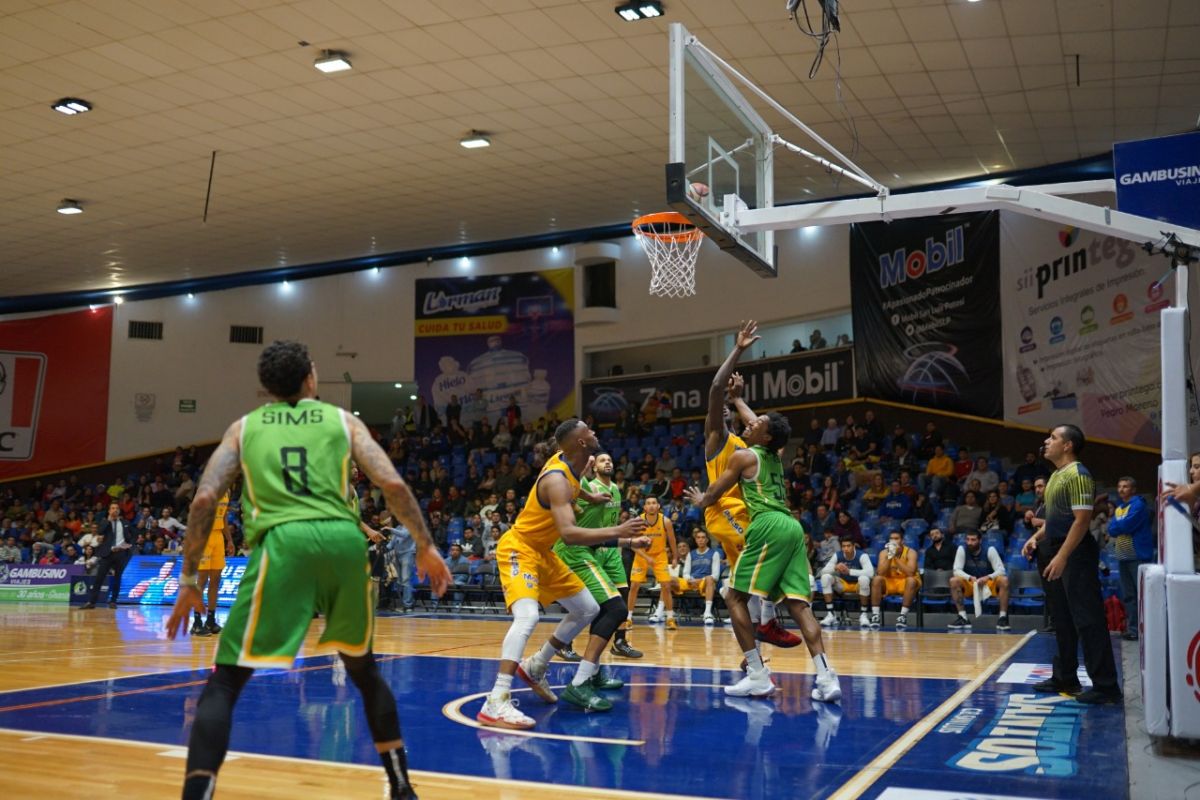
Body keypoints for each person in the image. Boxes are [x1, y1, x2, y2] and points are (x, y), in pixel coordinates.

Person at [164, 340, 453, 800]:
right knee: (364, 672)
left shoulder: (244, 428)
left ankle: (197, 793)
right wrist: (425, 545)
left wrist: (188, 579)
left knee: (226, 680)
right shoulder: (343, 420)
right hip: (343, 544)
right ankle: (401, 788)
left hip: (283, 544)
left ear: (266, 387)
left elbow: (202, 500)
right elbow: (392, 483)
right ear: (310, 379)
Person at [687, 320, 840, 703]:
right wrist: (737, 398)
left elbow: (741, 410)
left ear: (763, 434)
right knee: (797, 604)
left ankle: (758, 668)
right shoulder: (737, 444)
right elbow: (733, 405)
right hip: (772, 523)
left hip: (759, 523)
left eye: (755, 423)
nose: (747, 421)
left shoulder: (747, 450)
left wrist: (738, 351)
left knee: (734, 596)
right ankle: (826, 677)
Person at [478, 419, 649, 730]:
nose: (594, 432)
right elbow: (569, 534)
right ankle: (496, 700)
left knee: (588, 608)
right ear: (581, 443)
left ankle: (536, 664)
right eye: (588, 431)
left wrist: (590, 499)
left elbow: (575, 487)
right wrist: (620, 531)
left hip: (544, 553)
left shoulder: (574, 463)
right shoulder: (556, 479)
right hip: (520, 548)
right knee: (528, 616)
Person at [701, 350, 801, 649]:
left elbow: (761, 426)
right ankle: (768, 621)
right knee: (771, 558)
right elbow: (715, 390)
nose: (722, 411)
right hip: (725, 512)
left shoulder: (747, 445)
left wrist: (738, 399)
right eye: (718, 411)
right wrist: (738, 351)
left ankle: (753, 654)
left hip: (744, 514)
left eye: (726, 410)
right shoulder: (717, 439)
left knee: (745, 587)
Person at [1020, 425, 1122, 704]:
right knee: (1061, 619)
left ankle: (1106, 687)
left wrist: (1062, 556)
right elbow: (1055, 519)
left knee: (1088, 618)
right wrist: (1035, 538)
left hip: (1074, 552)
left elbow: (1081, 520)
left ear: (1067, 446)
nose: (1046, 441)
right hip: (1054, 548)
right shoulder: (1056, 475)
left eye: (1053, 437)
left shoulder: (1078, 474)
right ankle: (1065, 676)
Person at [552, 452, 645, 662]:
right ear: (594, 467)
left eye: (610, 460)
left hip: (608, 545)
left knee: (621, 596)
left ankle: (619, 642)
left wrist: (625, 541)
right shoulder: (588, 487)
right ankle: (568, 647)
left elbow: (609, 522)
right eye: (603, 460)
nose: (607, 462)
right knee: (593, 603)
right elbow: (571, 483)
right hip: (590, 545)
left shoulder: (616, 490)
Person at [1108, 476, 1152, 641]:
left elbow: (1126, 526)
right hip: (1123, 557)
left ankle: (1146, 630)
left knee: (1141, 594)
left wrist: (1119, 524)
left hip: (1137, 556)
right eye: (1119, 486)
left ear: (1133, 490)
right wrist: (1120, 525)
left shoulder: (1138, 505)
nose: (1121, 489)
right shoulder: (1120, 508)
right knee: (1128, 596)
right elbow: (1111, 530)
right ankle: (1133, 629)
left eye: (1125, 486)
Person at [626, 496, 679, 629]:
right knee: (634, 585)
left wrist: (675, 557)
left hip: (660, 555)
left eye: (654, 503)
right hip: (641, 555)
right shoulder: (638, 521)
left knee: (666, 586)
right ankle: (628, 618)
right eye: (648, 503)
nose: (651, 505)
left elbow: (672, 540)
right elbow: (632, 544)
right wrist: (646, 557)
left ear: (658, 506)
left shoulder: (666, 521)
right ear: (644, 507)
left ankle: (670, 618)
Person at [189, 492, 235, 636]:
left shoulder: (227, 491)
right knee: (202, 581)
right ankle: (197, 623)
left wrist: (229, 540)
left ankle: (210, 621)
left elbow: (224, 517)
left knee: (215, 581)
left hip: (218, 537)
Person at [950, 530, 1010, 631]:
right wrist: (969, 577)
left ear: (980, 540)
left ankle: (1003, 618)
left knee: (1004, 580)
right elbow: (956, 570)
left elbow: (1001, 570)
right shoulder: (962, 549)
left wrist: (988, 577)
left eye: (973, 540)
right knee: (954, 580)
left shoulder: (990, 550)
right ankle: (963, 617)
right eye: (967, 539)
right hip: (971, 584)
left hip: (988, 584)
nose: (969, 542)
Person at [82, 502, 135, 609]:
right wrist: (108, 520)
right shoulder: (104, 522)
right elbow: (100, 531)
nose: (115, 510)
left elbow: (133, 535)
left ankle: (113, 601)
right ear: (109, 511)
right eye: (113, 508)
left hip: (121, 553)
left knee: (117, 578)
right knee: (99, 578)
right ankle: (92, 602)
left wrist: (128, 545)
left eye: (117, 508)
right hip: (107, 554)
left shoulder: (125, 522)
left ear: (119, 511)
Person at [818, 535, 874, 628]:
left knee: (864, 579)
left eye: (848, 546)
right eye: (844, 546)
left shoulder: (862, 555)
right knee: (825, 577)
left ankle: (863, 615)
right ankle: (831, 614)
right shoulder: (838, 555)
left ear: (853, 546)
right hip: (843, 584)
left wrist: (849, 571)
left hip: (857, 585)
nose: (846, 548)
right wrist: (835, 567)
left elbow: (871, 573)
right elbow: (823, 572)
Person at [869, 529, 920, 629]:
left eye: (896, 538)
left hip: (905, 581)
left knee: (911, 580)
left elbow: (910, 573)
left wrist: (895, 557)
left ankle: (902, 616)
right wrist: (890, 556)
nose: (893, 541)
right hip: (890, 581)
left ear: (902, 541)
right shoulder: (883, 553)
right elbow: (880, 573)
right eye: (891, 539)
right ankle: (875, 615)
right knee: (877, 579)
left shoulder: (911, 552)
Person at [671, 529, 722, 624]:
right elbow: (686, 572)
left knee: (710, 578)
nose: (700, 540)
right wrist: (690, 579)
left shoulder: (714, 554)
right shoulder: (691, 554)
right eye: (698, 538)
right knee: (669, 580)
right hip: (691, 582)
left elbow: (716, 575)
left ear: (707, 540)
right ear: (696, 540)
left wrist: (700, 580)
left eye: (703, 537)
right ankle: (663, 612)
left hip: (705, 583)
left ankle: (707, 613)